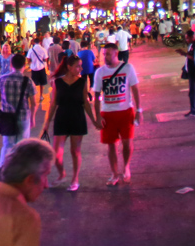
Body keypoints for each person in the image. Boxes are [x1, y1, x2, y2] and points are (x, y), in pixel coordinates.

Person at [45, 54, 96, 191]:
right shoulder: (57, 82)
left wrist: (94, 120)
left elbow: (85, 103)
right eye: (77, 66)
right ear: (69, 67)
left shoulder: (82, 82)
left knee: (75, 151)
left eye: (81, 66)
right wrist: (47, 122)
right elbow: (53, 102)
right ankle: (62, 174)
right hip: (61, 117)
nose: (80, 68)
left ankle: (75, 179)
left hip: (77, 117)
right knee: (56, 153)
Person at [93, 41, 141, 186]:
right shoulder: (100, 72)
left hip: (125, 111)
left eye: (107, 54)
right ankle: (114, 174)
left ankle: (126, 166)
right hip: (107, 113)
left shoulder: (127, 68)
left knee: (127, 143)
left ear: (116, 53)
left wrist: (139, 110)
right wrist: (97, 116)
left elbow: (135, 89)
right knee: (111, 145)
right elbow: (96, 96)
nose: (105, 57)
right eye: (103, 54)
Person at [0, 53, 36, 175]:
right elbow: (34, 102)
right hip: (23, 117)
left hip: (7, 117)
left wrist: (5, 98)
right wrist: (33, 117)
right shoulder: (28, 81)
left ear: (11, 65)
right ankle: (21, 171)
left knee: (7, 144)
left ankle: (3, 168)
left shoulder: (2, 79)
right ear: (24, 65)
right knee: (22, 145)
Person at [25, 34, 49, 128]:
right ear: (40, 42)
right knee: (42, 83)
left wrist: (31, 64)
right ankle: (41, 95)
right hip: (42, 67)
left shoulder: (31, 50)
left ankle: (34, 96)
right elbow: (46, 58)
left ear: (34, 42)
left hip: (34, 68)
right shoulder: (43, 49)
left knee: (34, 83)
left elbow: (28, 59)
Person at [183, 29, 195, 117]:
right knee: (193, 91)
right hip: (190, 71)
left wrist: (185, 54)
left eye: (187, 38)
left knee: (194, 91)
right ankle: (194, 109)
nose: (186, 40)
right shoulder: (191, 45)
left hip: (194, 72)